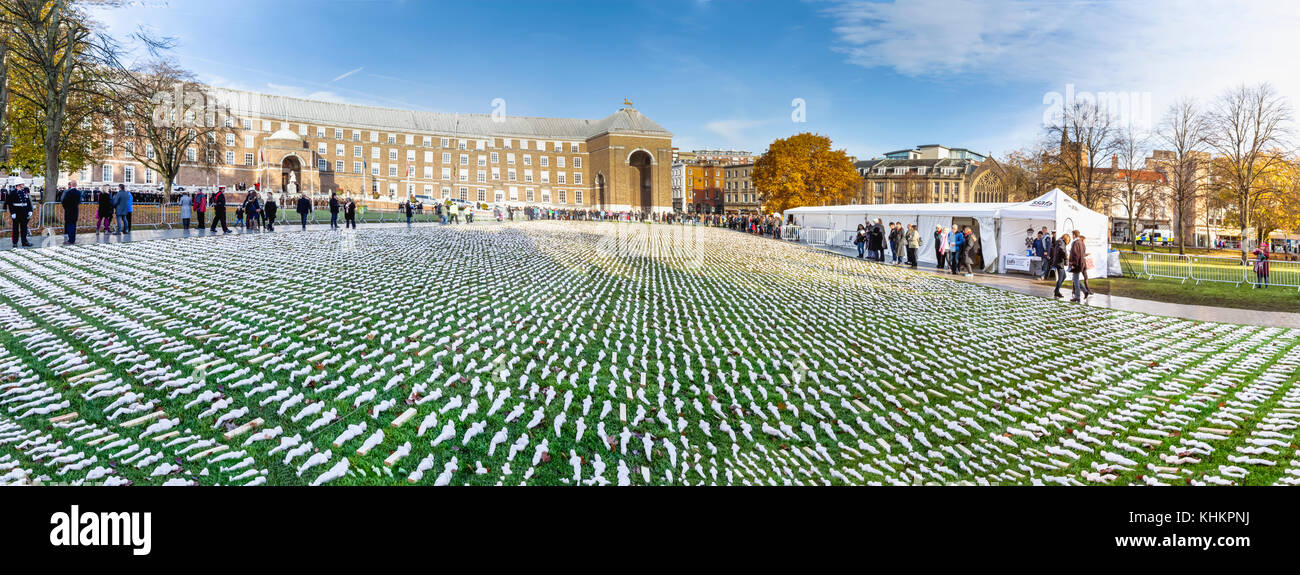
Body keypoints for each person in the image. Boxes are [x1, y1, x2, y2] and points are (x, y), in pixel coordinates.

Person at [6, 183, 33, 247]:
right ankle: (15, 243)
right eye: (22, 184)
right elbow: (10, 204)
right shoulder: (13, 193)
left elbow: (28, 202)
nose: (23, 185)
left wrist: (30, 210)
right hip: (17, 212)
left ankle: (24, 242)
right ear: (18, 185)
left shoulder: (24, 191)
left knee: (24, 228)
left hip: (24, 212)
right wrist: (12, 212)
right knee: (15, 229)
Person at [1068, 230, 1087, 302]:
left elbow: (1075, 255)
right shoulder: (1081, 242)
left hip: (1077, 264)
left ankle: (1077, 296)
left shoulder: (1075, 243)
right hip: (1081, 263)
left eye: (1072, 234)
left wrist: (1073, 264)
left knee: (1075, 280)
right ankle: (1085, 291)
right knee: (1076, 279)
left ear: (1074, 235)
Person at [1053, 234, 1070, 298]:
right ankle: (1056, 292)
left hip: (1058, 262)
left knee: (1063, 276)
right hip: (1059, 262)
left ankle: (1056, 290)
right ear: (1067, 239)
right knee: (1061, 278)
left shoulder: (1059, 242)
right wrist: (1066, 256)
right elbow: (1061, 249)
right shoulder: (1061, 242)